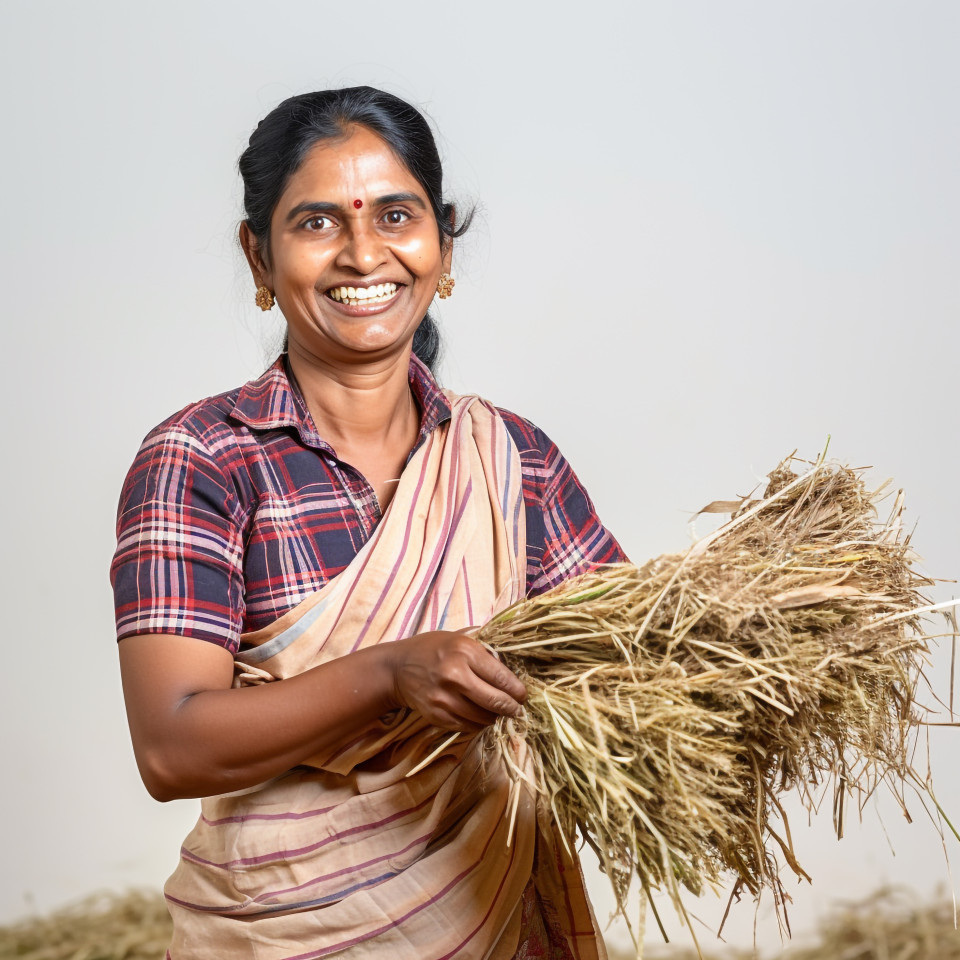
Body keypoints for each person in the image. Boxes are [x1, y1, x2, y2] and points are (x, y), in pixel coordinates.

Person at [112, 86, 625, 960]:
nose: (363, 254)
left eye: (397, 215)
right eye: (317, 223)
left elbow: (629, 667)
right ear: (259, 257)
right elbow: (171, 745)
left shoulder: (513, 462)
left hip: (494, 923)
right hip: (285, 933)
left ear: (442, 248)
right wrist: (390, 672)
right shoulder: (204, 459)